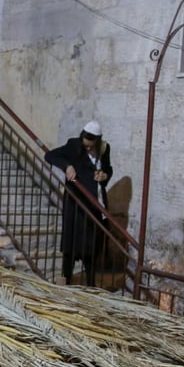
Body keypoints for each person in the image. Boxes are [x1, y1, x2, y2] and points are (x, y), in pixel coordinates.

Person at [43, 120, 113, 286]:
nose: (88, 149)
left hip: (94, 204)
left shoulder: (104, 149)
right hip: (77, 205)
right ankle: (66, 279)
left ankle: (90, 284)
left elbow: (108, 168)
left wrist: (105, 176)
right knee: (72, 244)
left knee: (92, 244)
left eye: (91, 146)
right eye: (86, 146)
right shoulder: (73, 145)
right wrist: (67, 166)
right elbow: (51, 155)